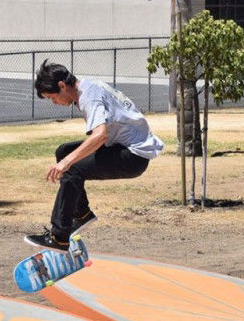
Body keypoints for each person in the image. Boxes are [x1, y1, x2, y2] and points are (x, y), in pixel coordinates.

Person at [25, 60, 165, 250]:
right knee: (64, 151)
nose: (54, 103)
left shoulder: (88, 96)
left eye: (52, 97)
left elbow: (100, 135)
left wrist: (66, 162)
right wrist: (67, 158)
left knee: (72, 166)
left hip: (133, 156)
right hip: (122, 148)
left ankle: (59, 237)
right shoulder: (88, 86)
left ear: (62, 85)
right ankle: (81, 215)